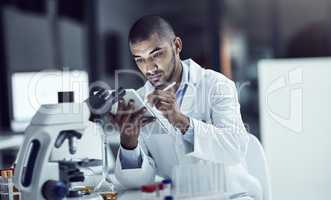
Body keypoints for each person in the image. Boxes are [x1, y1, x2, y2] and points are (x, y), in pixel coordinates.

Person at [111, 15, 262, 199]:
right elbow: (138, 182)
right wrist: (129, 143)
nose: (149, 68)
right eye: (139, 59)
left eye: (156, 54)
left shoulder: (216, 85)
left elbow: (235, 148)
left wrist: (181, 121)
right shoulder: (141, 101)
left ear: (177, 46)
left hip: (230, 195)